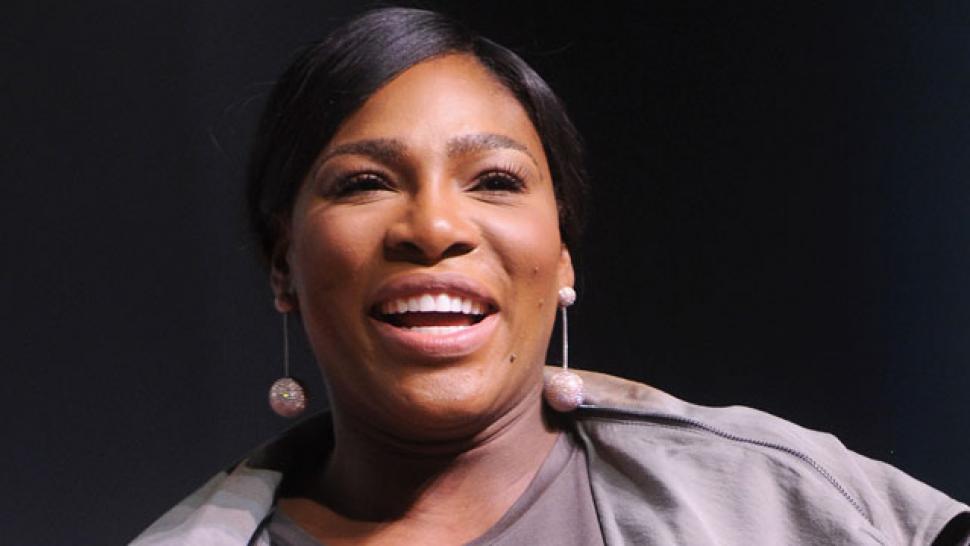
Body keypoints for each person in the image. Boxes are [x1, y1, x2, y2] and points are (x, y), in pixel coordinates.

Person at [132, 7, 969, 545]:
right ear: (282, 262)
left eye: (495, 181)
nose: (435, 228)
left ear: (562, 254)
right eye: (364, 183)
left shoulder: (788, 503)